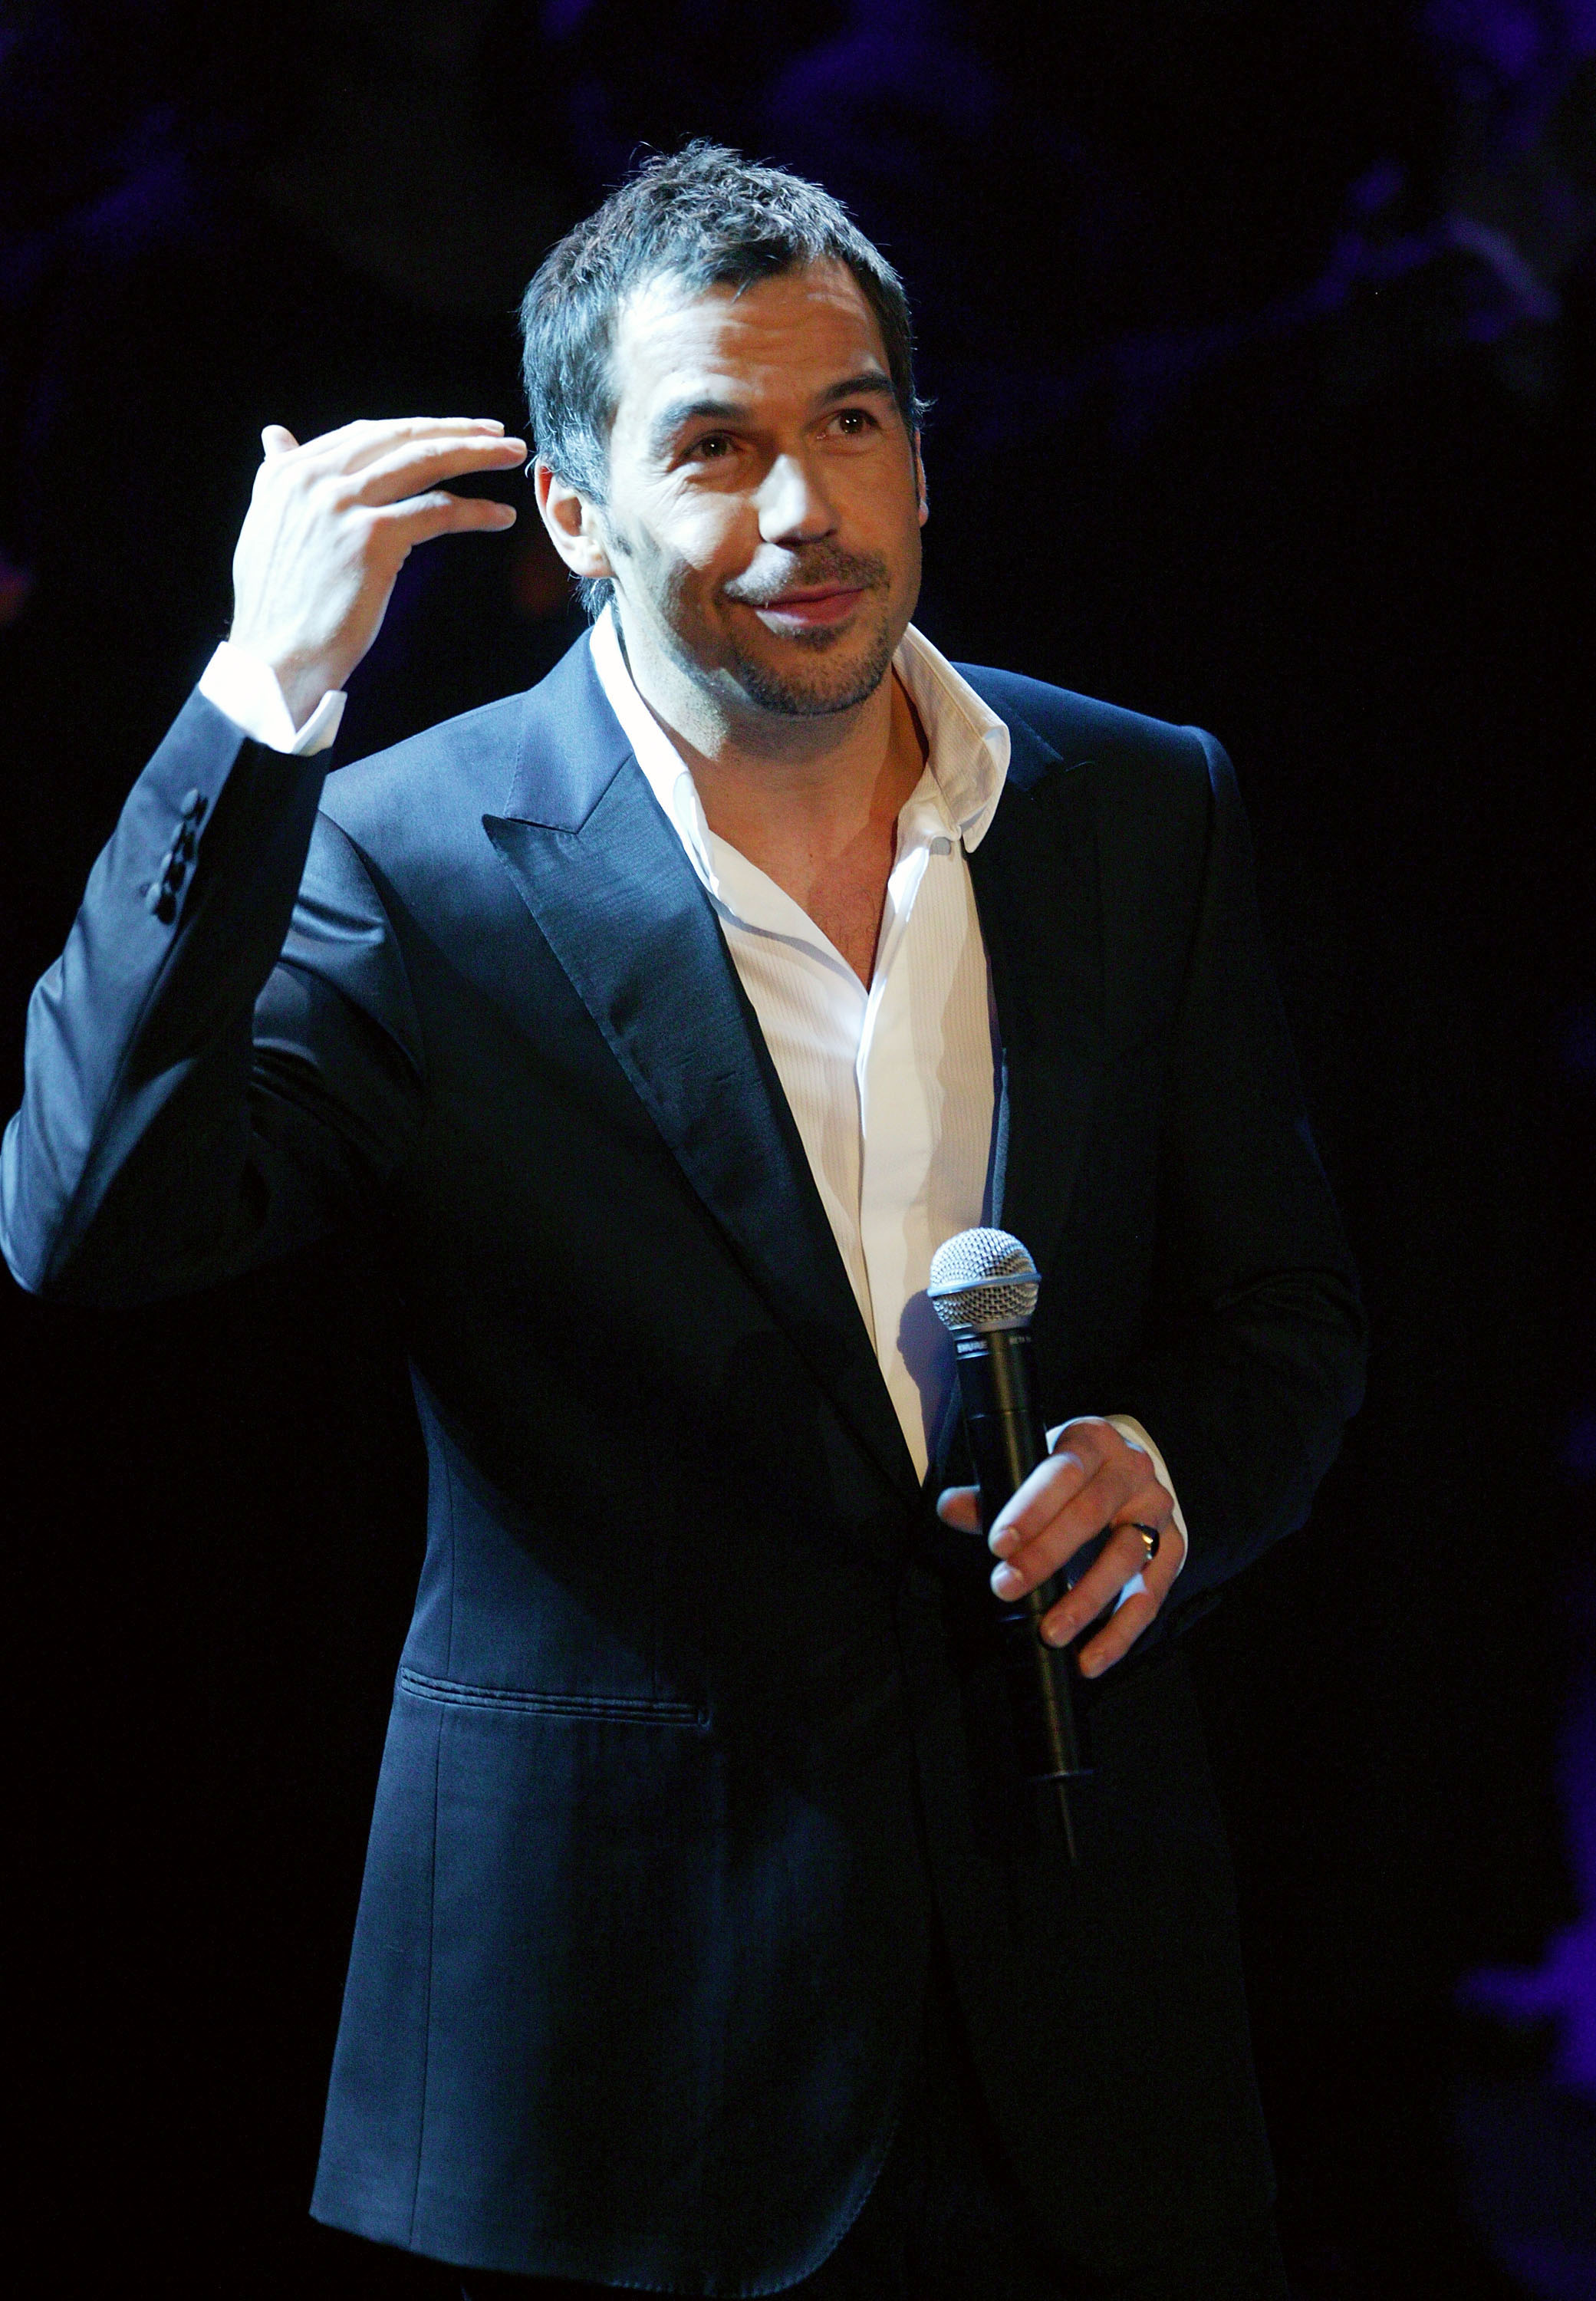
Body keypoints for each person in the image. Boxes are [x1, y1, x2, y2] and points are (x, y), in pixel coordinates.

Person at [0, 145, 1364, 2299]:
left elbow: (1284, 1307)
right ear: (574, 514)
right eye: (714, 445)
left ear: (922, 455)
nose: (806, 508)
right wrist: (258, 701)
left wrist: (1171, 1465)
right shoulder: (409, 856)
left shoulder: (1133, 801)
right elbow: (89, 1221)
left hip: (1083, 2017)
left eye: (853, 422)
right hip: (612, 2057)